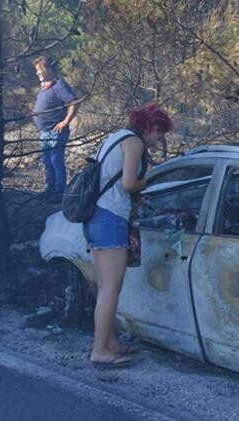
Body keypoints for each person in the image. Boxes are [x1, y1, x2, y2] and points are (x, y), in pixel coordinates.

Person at [84, 103, 173, 368]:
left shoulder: (116, 137)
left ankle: (110, 343)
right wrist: (153, 181)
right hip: (110, 218)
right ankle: (100, 350)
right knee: (110, 288)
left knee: (107, 287)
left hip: (96, 217)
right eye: (160, 134)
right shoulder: (133, 142)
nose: (159, 140)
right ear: (151, 127)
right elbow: (129, 184)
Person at [32, 56, 79, 203]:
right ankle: (50, 190)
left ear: (48, 68)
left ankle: (59, 193)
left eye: (39, 70)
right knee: (47, 162)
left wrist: (65, 121)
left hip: (55, 132)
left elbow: (74, 102)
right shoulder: (45, 86)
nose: (37, 73)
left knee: (56, 161)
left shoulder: (59, 85)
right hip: (45, 132)